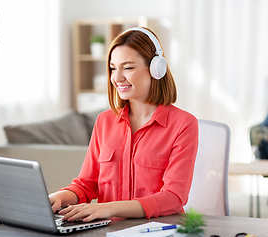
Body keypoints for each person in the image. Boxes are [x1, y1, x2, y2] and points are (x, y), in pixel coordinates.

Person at [49, 27, 199, 221]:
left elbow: (174, 197)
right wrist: (60, 197)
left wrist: (109, 209)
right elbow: (86, 184)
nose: (117, 78)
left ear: (156, 69)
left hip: (157, 230)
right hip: (108, 231)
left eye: (128, 68)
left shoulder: (184, 125)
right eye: (113, 68)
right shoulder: (104, 121)